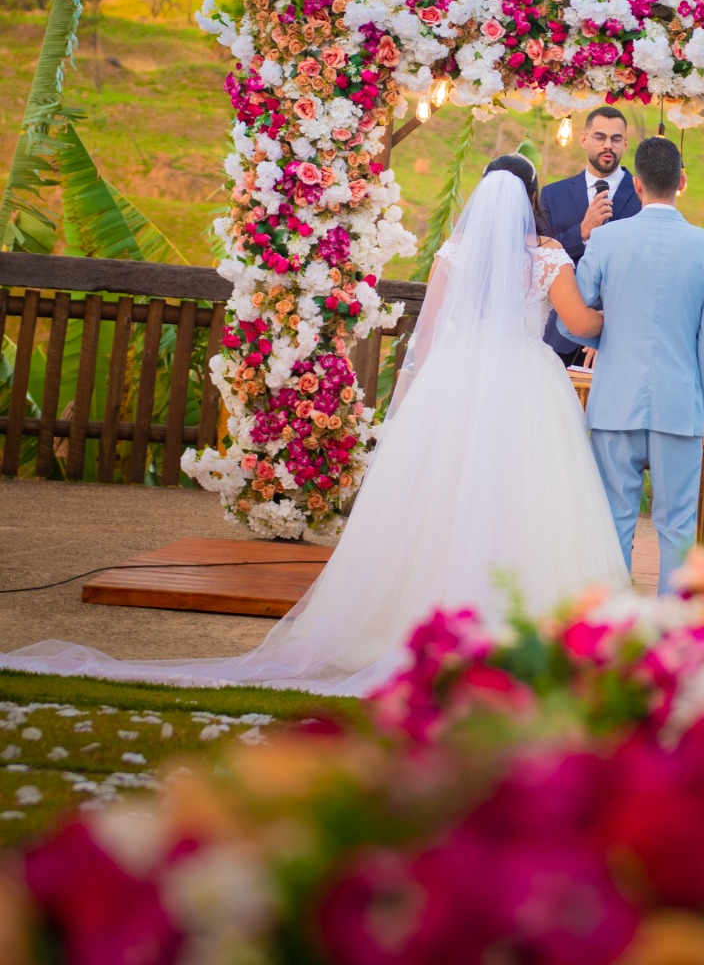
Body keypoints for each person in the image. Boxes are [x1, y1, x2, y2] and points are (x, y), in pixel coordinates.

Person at [0, 158, 631, 695]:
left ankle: (418, 622)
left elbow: (428, 340)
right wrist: (625, 304)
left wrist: (410, 406)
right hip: (524, 383)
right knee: (524, 502)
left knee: (441, 500)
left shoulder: (454, 253)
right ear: (529, 202)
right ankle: (522, 628)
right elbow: (581, 324)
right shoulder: (547, 255)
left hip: (456, 382)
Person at [558, 135, 704, 594]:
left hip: (614, 399)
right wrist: (700, 400)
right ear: (682, 182)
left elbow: (574, 321)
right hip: (679, 403)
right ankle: (673, 631)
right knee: (677, 527)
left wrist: (605, 335)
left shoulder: (608, 239)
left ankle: (611, 627)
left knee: (614, 518)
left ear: (636, 182)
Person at [540, 105, 640, 364]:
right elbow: (542, 257)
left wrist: (609, 326)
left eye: (616, 139)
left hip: (624, 334)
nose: (608, 145)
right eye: (600, 137)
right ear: (584, 139)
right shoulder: (553, 194)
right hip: (562, 331)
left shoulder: (643, 195)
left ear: (625, 144)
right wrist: (583, 231)